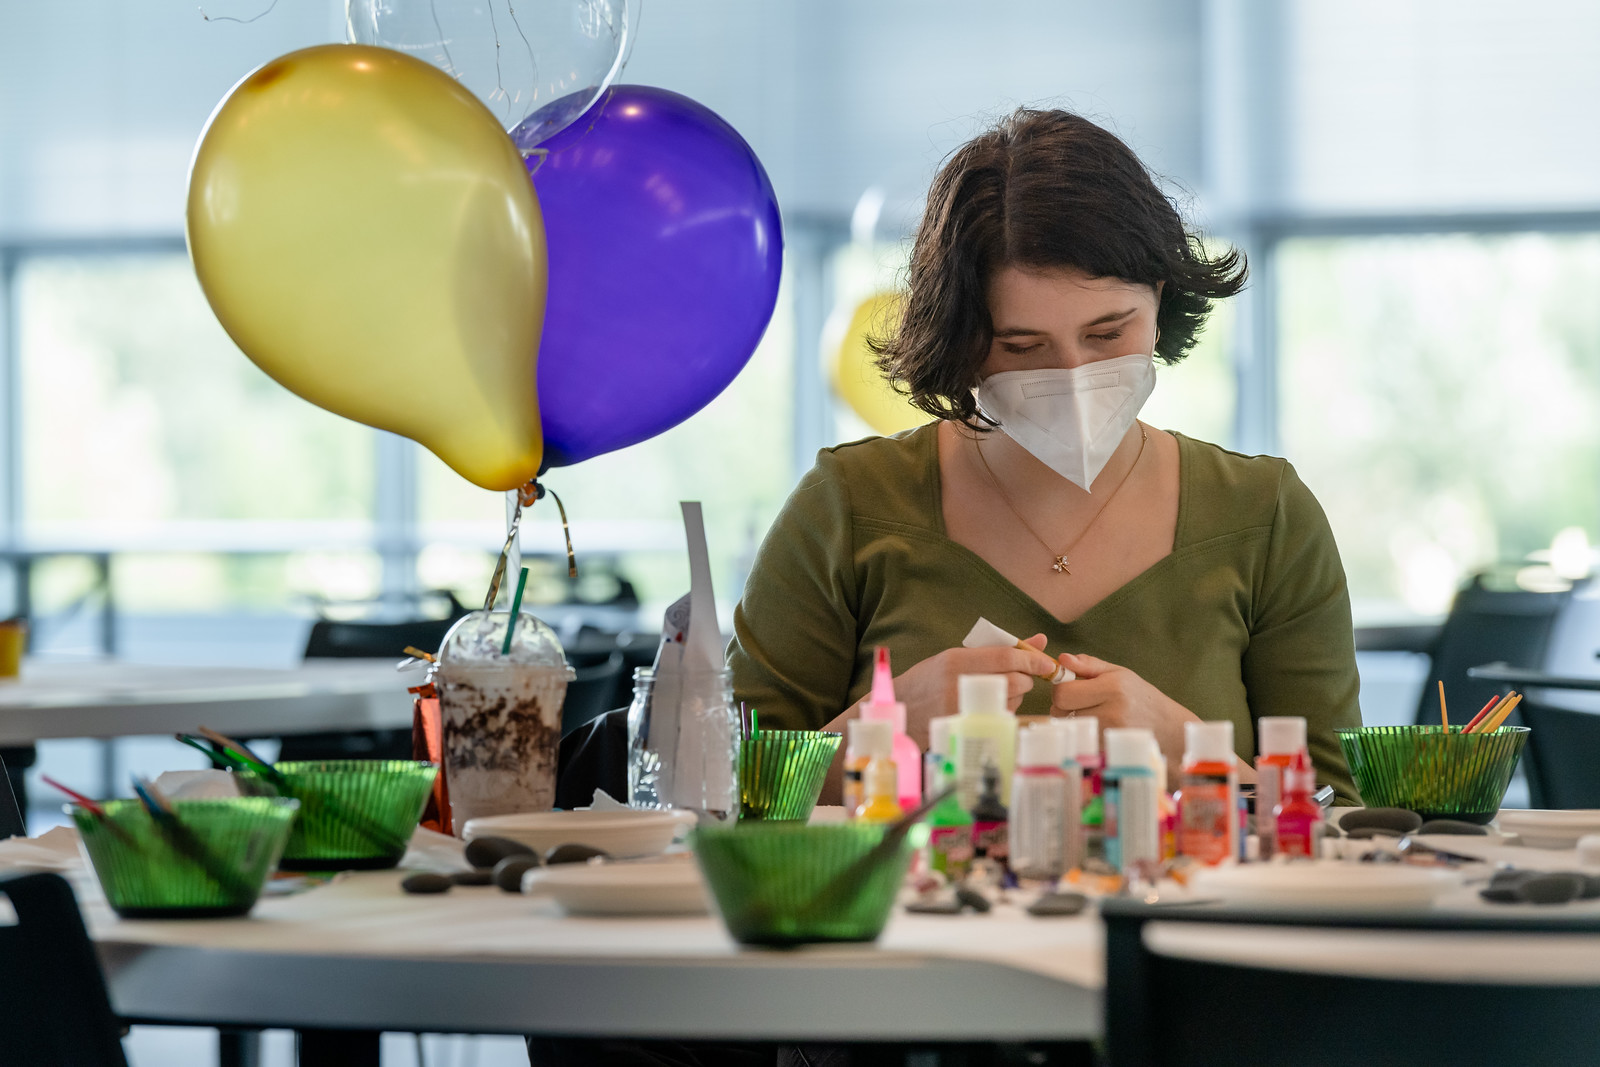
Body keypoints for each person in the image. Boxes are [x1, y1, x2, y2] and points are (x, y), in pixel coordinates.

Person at [729, 108, 1361, 797]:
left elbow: (1344, 827)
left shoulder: (1264, 518)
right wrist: (886, 724)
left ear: (1160, 298)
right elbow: (716, 790)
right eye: (1022, 348)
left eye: (1107, 333)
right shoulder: (850, 507)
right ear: (962, 343)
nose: (1072, 377)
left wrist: (1191, 751)